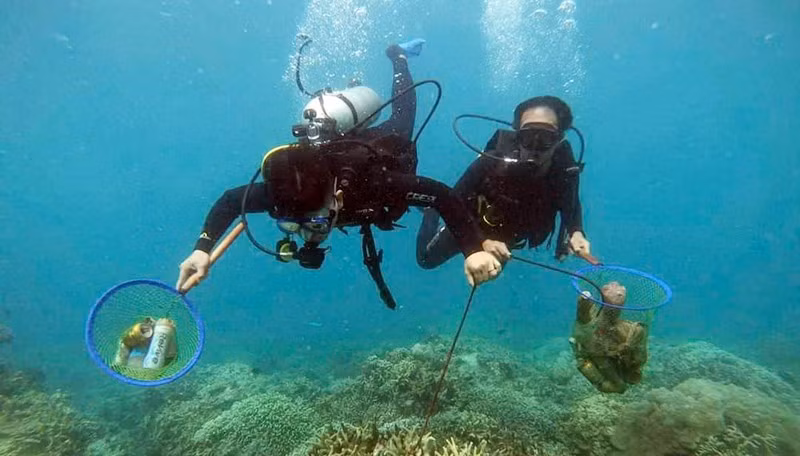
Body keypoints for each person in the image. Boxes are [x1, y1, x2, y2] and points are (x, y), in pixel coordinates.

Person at [175, 41, 506, 306]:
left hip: (375, 150)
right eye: (292, 225)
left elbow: (441, 195)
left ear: (338, 197)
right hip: (331, 149)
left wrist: (473, 249)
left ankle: (399, 57)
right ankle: (354, 93)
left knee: (403, 119)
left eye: (316, 224)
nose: (307, 234)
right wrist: (202, 249)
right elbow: (232, 200)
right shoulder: (283, 194)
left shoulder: (374, 185)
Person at [416, 96, 591, 268]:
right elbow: (451, 201)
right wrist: (481, 241)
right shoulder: (493, 160)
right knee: (426, 259)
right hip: (472, 222)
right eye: (528, 137)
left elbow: (571, 206)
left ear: (559, 140)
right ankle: (430, 213)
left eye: (545, 139)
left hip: (507, 235)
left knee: (491, 271)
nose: (535, 148)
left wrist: (576, 233)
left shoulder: (564, 172)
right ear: (518, 136)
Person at [569, 282, 648, 393]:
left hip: (604, 350)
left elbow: (583, 318)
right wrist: (584, 301)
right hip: (595, 352)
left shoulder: (629, 329)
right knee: (619, 386)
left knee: (638, 331)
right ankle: (588, 365)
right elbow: (583, 317)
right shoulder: (592, 321)